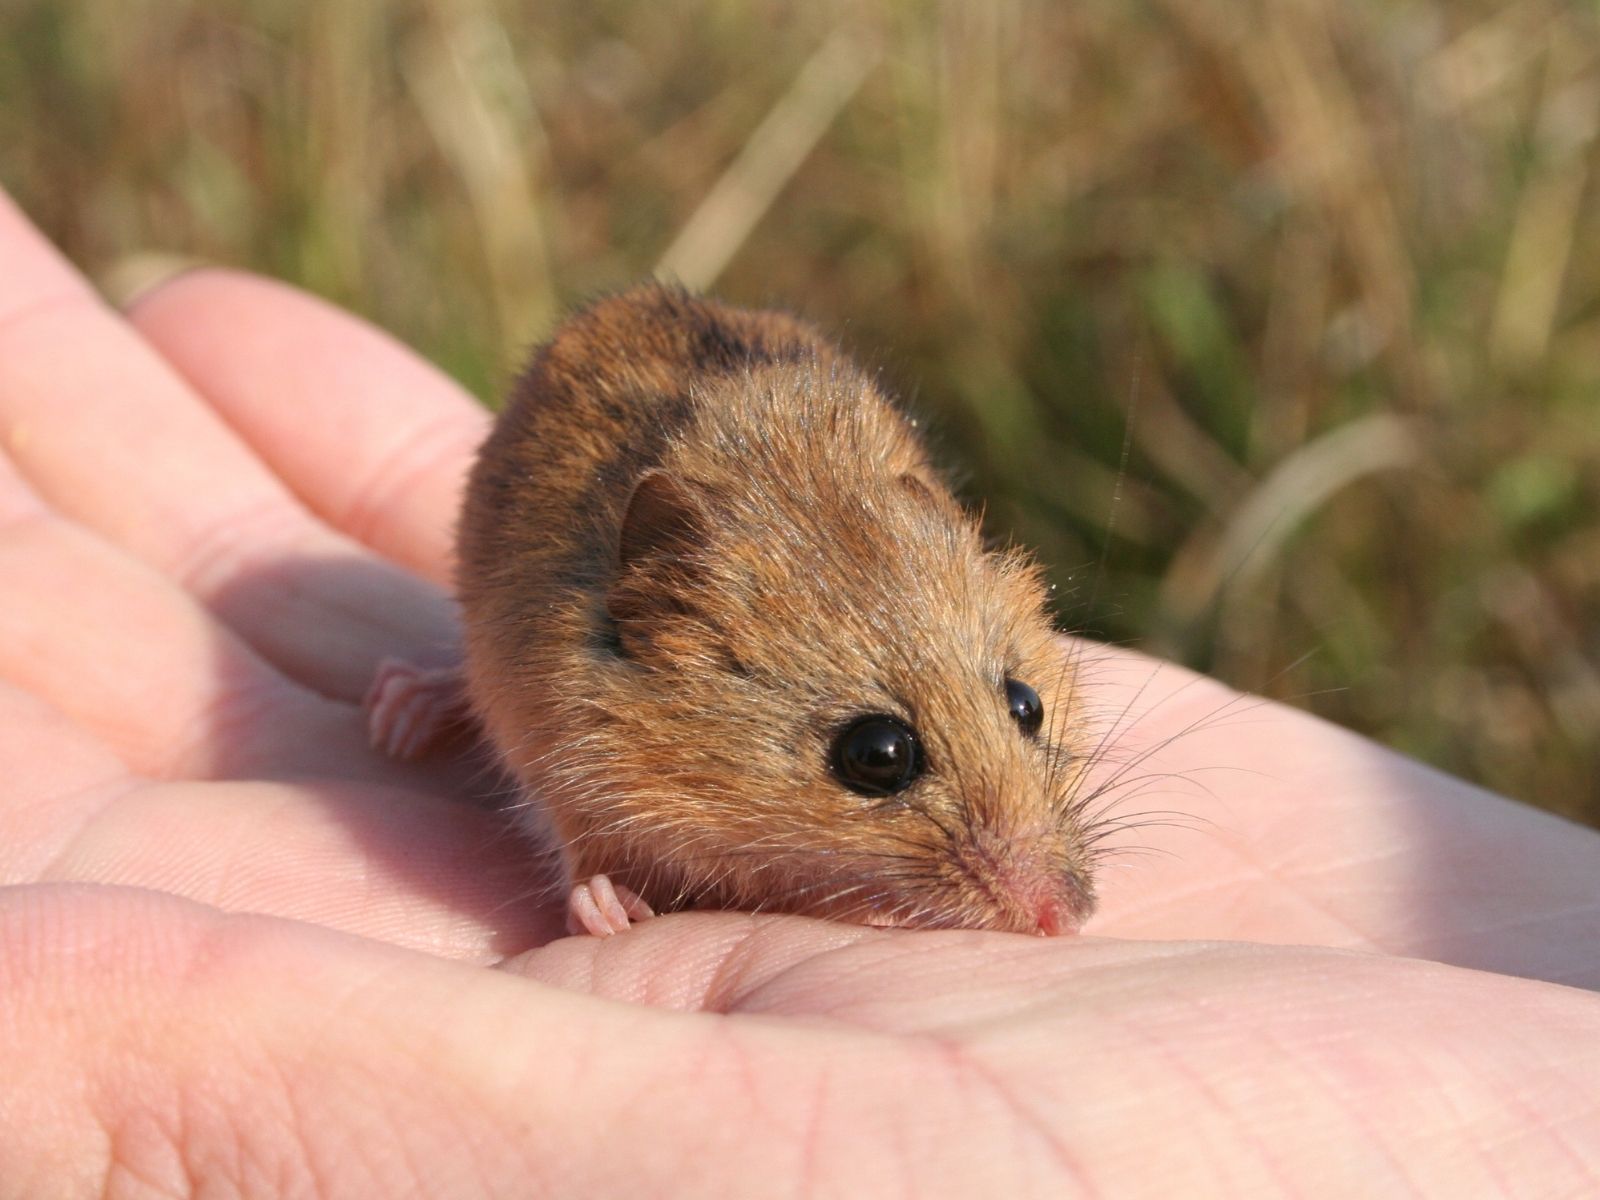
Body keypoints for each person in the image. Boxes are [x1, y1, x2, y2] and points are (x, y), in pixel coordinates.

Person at [1, 183, 1596, 1197]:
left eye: (1025, 711)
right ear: (669, 642)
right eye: (880, 755)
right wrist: (588, 851)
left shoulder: (921, 541)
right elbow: (574, 715)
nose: (1011, 807)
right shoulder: (627, 661)